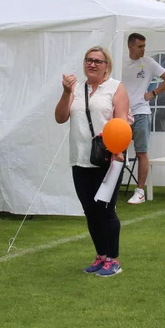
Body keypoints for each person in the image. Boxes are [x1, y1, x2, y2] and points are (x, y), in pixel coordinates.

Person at [55, 46, 129, 277]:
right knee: (90, 210)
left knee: (105, 210)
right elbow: (60, 117)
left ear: (107, 65)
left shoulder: (116, 88)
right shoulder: (77, 89)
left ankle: (113, 259)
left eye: (98, 61)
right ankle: (101, 255)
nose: (92, 64)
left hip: (107, 158)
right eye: (89, 60)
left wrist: (119, 151)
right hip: (80, 158)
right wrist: (66, 93)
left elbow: (122, 123)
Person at [122, 33, 165, 205]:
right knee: (114, 152)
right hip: (121, 114)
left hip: (141, 113)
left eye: (144, 46)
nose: (143, 49)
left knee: (141, 152)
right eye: (140, 46)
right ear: (130, 46)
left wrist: (153, 93)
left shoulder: (148, 63)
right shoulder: (119, 60)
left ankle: (140, 191)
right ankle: (111, 188)